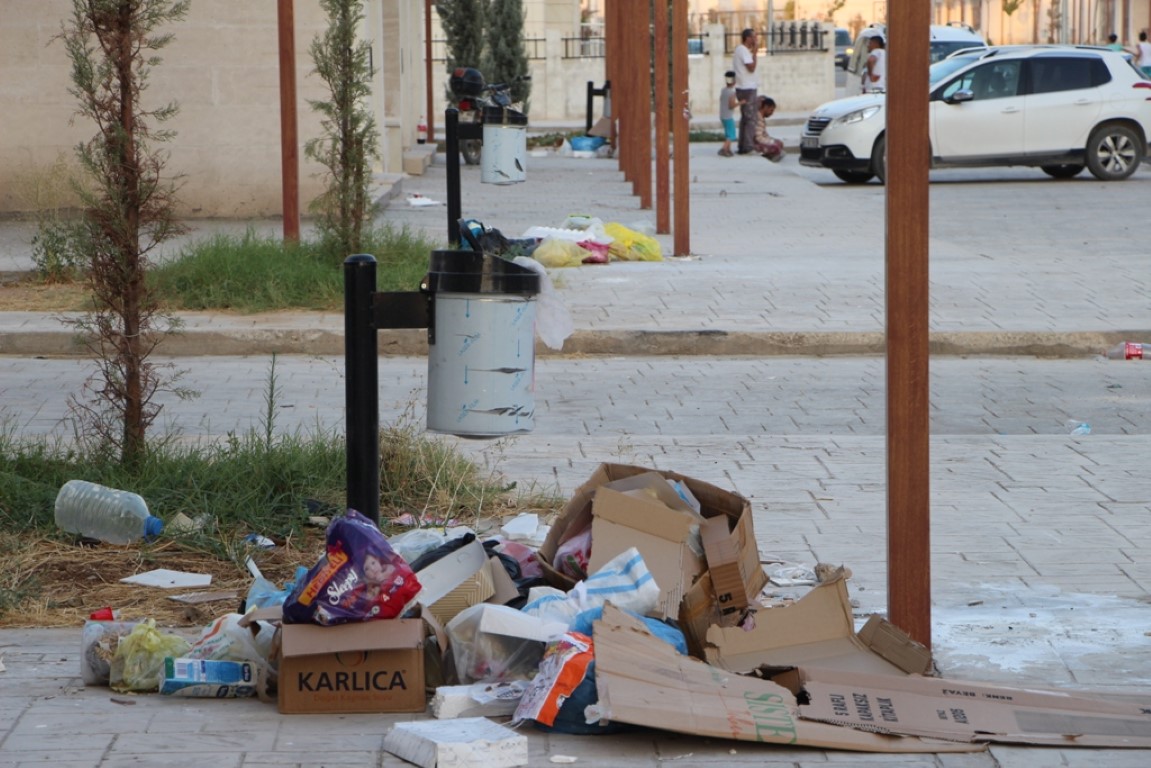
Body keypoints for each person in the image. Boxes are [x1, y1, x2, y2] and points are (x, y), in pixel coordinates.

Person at [733, 28, 759, 154]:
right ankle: (748, 147)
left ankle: (742, 146)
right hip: (747, 88)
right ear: (747, 38)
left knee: (745, 118)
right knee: (750, 119)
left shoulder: (741, 50)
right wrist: (755, 53)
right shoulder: (743, 50)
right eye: (753, 37)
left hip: (743, 87)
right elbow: (751, 68)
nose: (756, 39)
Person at [753, 95, 784, 162]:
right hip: (755, 144)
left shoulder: (761, 118)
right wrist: (771, 142)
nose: (772, 113)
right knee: (775, 147)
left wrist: (772, 140)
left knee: (779, 143)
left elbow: (765, 134)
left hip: (760, 140)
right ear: (766, 107)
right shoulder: (758, 119)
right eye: (771, 110)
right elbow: (758, 138)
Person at [718, 70, 741, 157]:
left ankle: (728, 149)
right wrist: (741, 102)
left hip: (722, 115)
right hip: (728, 116)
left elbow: (721, 99)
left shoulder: (723, 90)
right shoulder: (732, 92)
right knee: (731, 135)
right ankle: (724, 149)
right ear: (734, 81)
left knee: (728, 134)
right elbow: (731, 105)